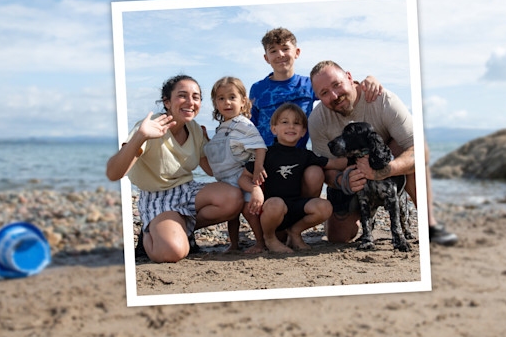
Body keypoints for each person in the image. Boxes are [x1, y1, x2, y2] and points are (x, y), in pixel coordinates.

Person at [308, 60, 458, 246]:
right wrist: (342, 180)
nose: (335, 95)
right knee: (338, 237)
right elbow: (326, 168)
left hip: (389, 167)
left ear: (349, 77)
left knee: (408, 150)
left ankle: (431, 225)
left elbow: (421, 150)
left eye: (337, 85)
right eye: (324, 93)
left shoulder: (383, 99)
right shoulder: (317, 120)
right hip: (353, 177)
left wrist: (386, 170)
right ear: (317, 96)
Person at [106, 75, 242, 263]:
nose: (190, 102)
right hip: (157, 196)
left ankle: (180, 228)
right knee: (173, 252)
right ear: (167, 102)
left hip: (186, 189)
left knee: (234, 198)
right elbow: (114, 173)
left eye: (196, 97)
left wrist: (218, 143)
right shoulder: (151, 127)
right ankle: (149, 234)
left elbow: (212, 171)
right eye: (182, 96)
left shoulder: (194, 129)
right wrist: (141, 137)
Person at [249, 27, 384, 200]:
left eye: (285, 48)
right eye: (273, 51)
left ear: (297, 52)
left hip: (297, 156)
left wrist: (369, 79)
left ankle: (301, 213)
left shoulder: (307, 84)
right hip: (267, 156)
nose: (280, 54)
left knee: (315, 174)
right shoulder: (257, 88)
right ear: (266, 58)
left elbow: (340, 89)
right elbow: (251, 122)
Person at [239, 103, 342, 253]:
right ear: (274, 129)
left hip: (296, 207)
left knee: (325, 206)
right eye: (285, 122)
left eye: (297, 123)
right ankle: (269, 238)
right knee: (276, 203)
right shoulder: (266, 155)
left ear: (303, 132)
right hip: (272, 211)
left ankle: (294, 231)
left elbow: (334, 163)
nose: (291, 127)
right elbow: (243, 178)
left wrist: (358, 161)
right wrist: (255, 189)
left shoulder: (305, 155)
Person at [203, 76, 267, 253]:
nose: (227, 102)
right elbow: (217, 150)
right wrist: (205, 140)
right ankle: (234, 244)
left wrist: (258, 168)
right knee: (232, 215)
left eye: (232, 97)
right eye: (221, 98)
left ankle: (260, 242)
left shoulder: (243, 124)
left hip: (241, 177)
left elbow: (260, 146)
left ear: (243, 101)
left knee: (249, 211)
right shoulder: (222, 127)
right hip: (224, 180)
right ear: (215, 103)